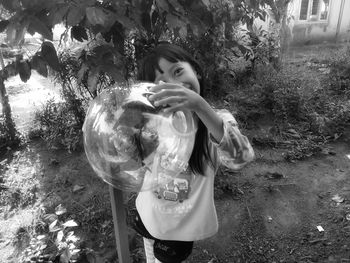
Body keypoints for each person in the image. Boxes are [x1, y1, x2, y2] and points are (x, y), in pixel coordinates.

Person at [133, 42, 255, 263]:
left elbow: (241, 157)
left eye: (178, 71)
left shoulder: (218, 121)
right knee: (150, 257)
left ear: (195, 70)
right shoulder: (156, 122)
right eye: (161, 84)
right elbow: (145, 163)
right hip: (148, 214)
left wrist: (200, 106)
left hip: (179, 229)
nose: (175, 85)